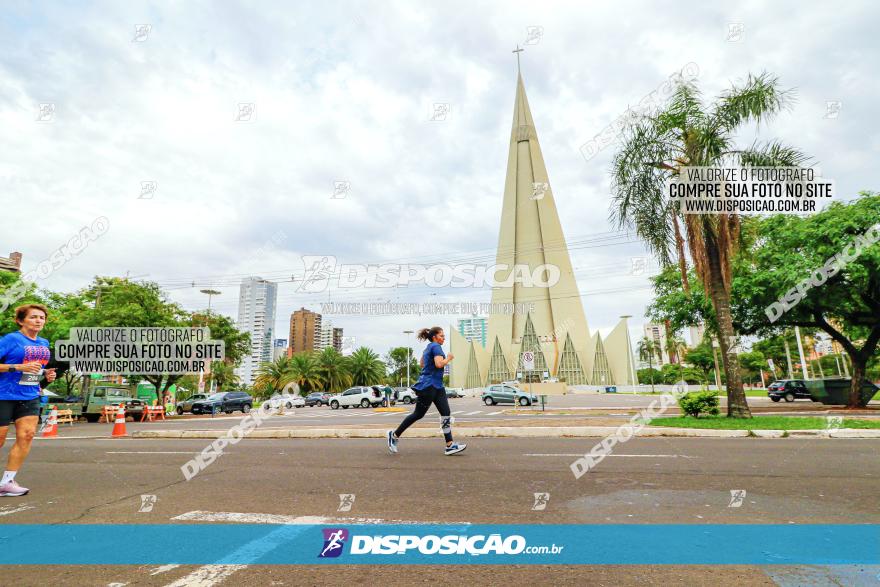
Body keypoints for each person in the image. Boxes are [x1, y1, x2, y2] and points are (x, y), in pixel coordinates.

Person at [0, 304, 56, 496]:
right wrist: (16, 367)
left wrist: (45, 374)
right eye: (33, 317)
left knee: (27, 435)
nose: (39, 320)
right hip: (3, 394)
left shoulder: (44, 343)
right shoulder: (10, 339)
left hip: (30, 394)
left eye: (42, 317)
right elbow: (20, 367)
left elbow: (35, 368)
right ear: (20, 320)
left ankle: (7, 482)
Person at [387, 326, 465, 455]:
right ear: (434, 337)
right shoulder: (436, 347)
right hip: (429, 386)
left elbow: (422, 364)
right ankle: (394, 435)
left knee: (446, 412)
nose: (444, 338)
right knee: (418, 414)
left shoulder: (428, 348)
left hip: (438, 386)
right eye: (442, 336)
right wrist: (449, 358)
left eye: (444, 336)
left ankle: (450, 445)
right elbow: (439, 364)